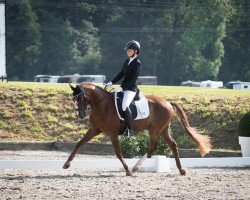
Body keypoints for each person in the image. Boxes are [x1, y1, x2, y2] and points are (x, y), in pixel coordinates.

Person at [105, 40, 142, 137]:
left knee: (125, 105)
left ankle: (130, 130)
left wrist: (122, 88)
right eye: (127, 50)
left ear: (136, 51)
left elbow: (133, 80)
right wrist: (111, 82)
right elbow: (121, 74)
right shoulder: (127, 61)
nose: (127, 52)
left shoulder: (137, 63)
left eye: (129, 50)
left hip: (130, 89)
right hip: (123, 88)